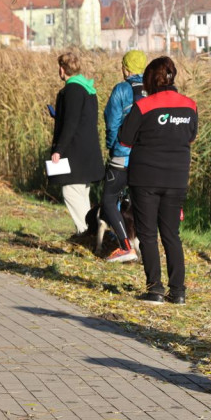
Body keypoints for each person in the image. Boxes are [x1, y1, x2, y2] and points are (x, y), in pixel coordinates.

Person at [118, 56, 198, 305]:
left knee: (148, 234)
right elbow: (191, 137)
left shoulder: (143, 106)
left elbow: (124, 140)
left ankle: (155, 289)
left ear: (150, 80)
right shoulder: (190, 106)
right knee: (171, 234)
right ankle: (178, 291)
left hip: (146, 178)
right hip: (177, 178)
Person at [48, 51, 104, 236]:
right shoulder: (88, 89)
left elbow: (71, 123)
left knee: (71, 192)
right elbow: (82, 118)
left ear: (62, 69)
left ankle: (86, 234)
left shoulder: (72, 90)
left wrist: (59, 149)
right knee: (81, 193)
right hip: (88, 151)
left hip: (75, 152)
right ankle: (92, 234)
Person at [101, 49, 147, 262]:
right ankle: (147, 247)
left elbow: (112, 123)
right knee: (143, 202)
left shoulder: (121, 89)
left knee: (109, 199)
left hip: (123, 156)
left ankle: (125, 246)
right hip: (146, 158)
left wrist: (112, 147)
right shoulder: (152, 90)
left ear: (126, 68)